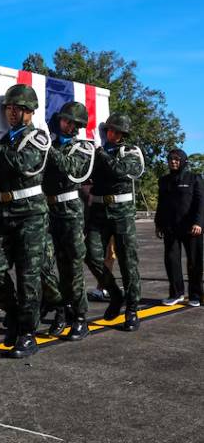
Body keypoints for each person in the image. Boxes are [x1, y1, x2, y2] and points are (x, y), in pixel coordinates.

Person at [0, 84, 51, 359]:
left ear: (29, 112)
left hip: (31, 213)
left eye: (16, 108)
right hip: (2, 210)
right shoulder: (1, 141)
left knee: (28, 276)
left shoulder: (38, 138)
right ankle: (16, 316)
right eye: (8, 108)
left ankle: (27, 333)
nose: (11, 112)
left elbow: (24, 164)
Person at [84, 113, 145, 331]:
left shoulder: (130, 152)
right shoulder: (97, 151)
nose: (112, 134)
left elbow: (121, 171)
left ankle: (132, 308)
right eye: (109, 130)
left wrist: (101, 154)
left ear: (123, 134)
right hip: (99, 209)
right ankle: (115, 293)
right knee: (90, 255)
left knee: (128, 261)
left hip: (121, 211)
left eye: (116, 131)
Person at [42, 101, 96, 340]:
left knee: (72, 267)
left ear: (79, 126)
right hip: (47, 209)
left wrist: (46, 147)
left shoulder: (83, 147)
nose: (67, 124)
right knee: (44, 264)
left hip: (70, 210)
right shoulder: (49, 144)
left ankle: (80, 318)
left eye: (72, 122)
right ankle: (60, 308)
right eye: (65, 120)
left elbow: (69, 167)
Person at [155, 149, 203, 306]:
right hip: (171, 228)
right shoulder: (164, 180)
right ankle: (176, 293)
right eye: (170, 159)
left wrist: (199, 223)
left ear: (183, 161)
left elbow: (201, 203)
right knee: (171, 261)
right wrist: (158, 224)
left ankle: (195, 295)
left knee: (194, 262)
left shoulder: (194, 178)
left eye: (176, 159)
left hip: (191, 228)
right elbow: (161, 204)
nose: (173, 162)